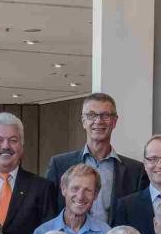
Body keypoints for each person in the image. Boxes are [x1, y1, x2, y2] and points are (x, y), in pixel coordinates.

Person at [44, 92, 145, 222]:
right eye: (91, 115)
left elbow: (137, 216)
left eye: (105, 115)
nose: (98, 121)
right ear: (83, 121)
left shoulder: (135, 171)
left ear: (114, 122)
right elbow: (49, 212)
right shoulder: (59, 165)